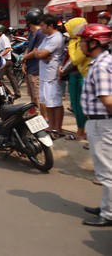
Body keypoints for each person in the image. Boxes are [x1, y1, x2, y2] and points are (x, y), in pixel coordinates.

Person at [78, 23, 112, 227]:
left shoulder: (99, 67)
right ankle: (106, 205)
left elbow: (107, 101)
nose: (80, 44)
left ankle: (108, 214)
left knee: (106, 171)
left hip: (102, 124)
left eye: (83, 41)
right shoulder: (103, 61)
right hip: (100, 123)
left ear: (94, 42)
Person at [25, 14, 65, 137]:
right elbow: (38, 52)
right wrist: (40, 54)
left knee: (55, 103)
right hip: (44, 75)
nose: (41, 28)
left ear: (50, 26)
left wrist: (40, 54)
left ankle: (57, 128)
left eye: (43, 25)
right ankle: (51, 126)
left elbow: (40, 54)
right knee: (48, 103)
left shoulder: (56, 38)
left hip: (52, 76)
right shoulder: (47, 38)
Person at [64, 18, 92, 142]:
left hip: (81, 77)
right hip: (79, 76)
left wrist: (70, 44)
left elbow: (75, 60)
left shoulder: (80, 41)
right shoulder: (79, 41)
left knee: (78, 106)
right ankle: (82, 131)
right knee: (77, 106)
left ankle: (81, 132)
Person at [21, 8, 46, 120]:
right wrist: (24, 61)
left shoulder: (40, 33)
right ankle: (35, 114)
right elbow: (28, 47)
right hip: (30, 67)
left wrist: (24, 58)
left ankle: (43, 117)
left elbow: (36, 51)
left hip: (37, 68)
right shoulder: (32, 33)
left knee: (38, 96)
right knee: (33, 95)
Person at [0, 24, 21, 99]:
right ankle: (17, 93)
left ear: (0, 32)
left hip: (5, 61)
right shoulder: (0, 39)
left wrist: (0, 55)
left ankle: (7, 93)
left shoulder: (4, 38)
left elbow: (8, 49)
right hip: (5, 61)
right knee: (12, 78)